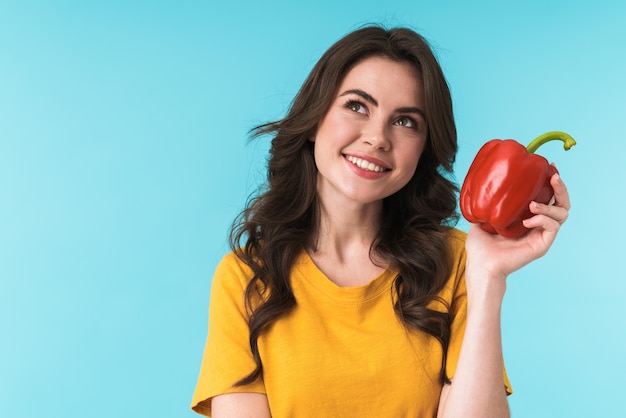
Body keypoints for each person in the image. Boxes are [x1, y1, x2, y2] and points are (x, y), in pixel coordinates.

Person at [190, 25, 570, 418]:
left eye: (405, 121)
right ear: (315, 117)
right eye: (357, 106)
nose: (377, 138)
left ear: (423, 149)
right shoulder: (245, 277)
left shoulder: (458, 262)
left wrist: (489, 278)